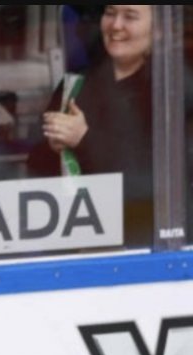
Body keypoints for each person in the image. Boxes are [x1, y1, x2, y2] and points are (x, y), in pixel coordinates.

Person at [26, 4, 153, 247]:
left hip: (139, 245)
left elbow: (150, 182)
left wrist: (83, 139)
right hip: (72, 235)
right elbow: (34, 165)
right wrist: (54, 146)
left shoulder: (170, 92)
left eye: (130, 16)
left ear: (158, 30)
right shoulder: (75, 85)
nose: (116, 25)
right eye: (110, 13)